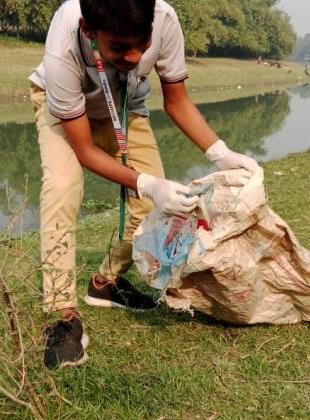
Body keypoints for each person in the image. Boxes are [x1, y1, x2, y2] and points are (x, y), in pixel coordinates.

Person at [28, 0, 261, 369]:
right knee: (62, 188)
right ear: (90, 31)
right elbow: (85, 150)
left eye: (143, 43)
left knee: (155, 207)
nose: (135, 57)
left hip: (126, 106)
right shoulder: (65, 41)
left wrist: (220, 152)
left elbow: (177, 100)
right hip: (65, 109)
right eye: (120, 47)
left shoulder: (164, 18)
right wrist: (148, 183)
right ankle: (62, 316)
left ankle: (105, 283)